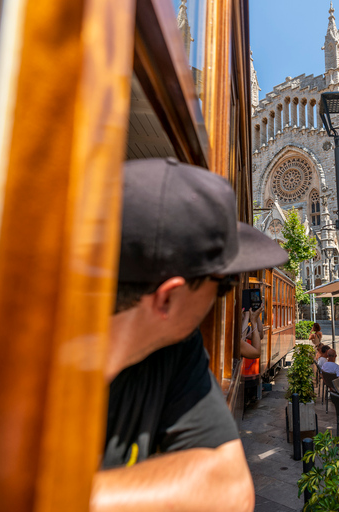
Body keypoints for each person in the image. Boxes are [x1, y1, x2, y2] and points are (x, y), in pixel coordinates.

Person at [94, 158, 287, 511]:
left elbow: (229, 488)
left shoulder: (175, 346)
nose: (225, 298)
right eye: (225, 283)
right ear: (167, 297)